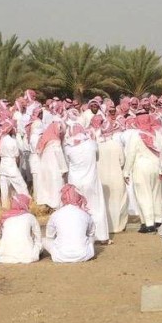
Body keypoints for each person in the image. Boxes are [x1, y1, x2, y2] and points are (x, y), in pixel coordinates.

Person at [63, 112, 110, 243]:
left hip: (75, 182)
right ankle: (101, 236)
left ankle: (79, 236)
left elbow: (68, 162)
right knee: (96, 207)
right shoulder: (91, 144)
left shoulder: (68, 147)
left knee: (77, 208)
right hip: (91, 180)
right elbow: (97, 157)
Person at [124, 111, 162, 233]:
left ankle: (148, 223)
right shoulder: (157, 134)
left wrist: (126, 172)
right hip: (156, 166)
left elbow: (131, 155)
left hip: (141, 166)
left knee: (144, 195)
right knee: (157, 194)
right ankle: (159, 220)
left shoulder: (136, 135)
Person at [92, 113, 128, 233]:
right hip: (116, 176)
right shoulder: (116, 145)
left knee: (106, 202)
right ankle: (118, 226)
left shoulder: (97, 146)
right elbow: (122, 161)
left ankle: (108, 227)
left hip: (103, 177)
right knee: (118, 201)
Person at [43, 184, 96, 263]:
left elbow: (49, 236)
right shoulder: (84, 214)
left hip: (60, 256)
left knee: (44, 240)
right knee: (91, 237)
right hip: (84, 255)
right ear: (78, 197)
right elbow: (91, 233)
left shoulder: (55, 214)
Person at [0, 194, 43, 264]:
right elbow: (38, 236)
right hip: (27, 256)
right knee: (40, 245)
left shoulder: (6, 217)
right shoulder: (30, 217)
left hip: (5, 255)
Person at [0, 119, 29, 208]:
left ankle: (5, 206)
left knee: (5, 189)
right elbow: (16, 155)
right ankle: (27, 203)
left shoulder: (0, 139)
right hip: (11, 166)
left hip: (3, 166)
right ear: (10, 129)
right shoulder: (12, 141)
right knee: (22, 186)